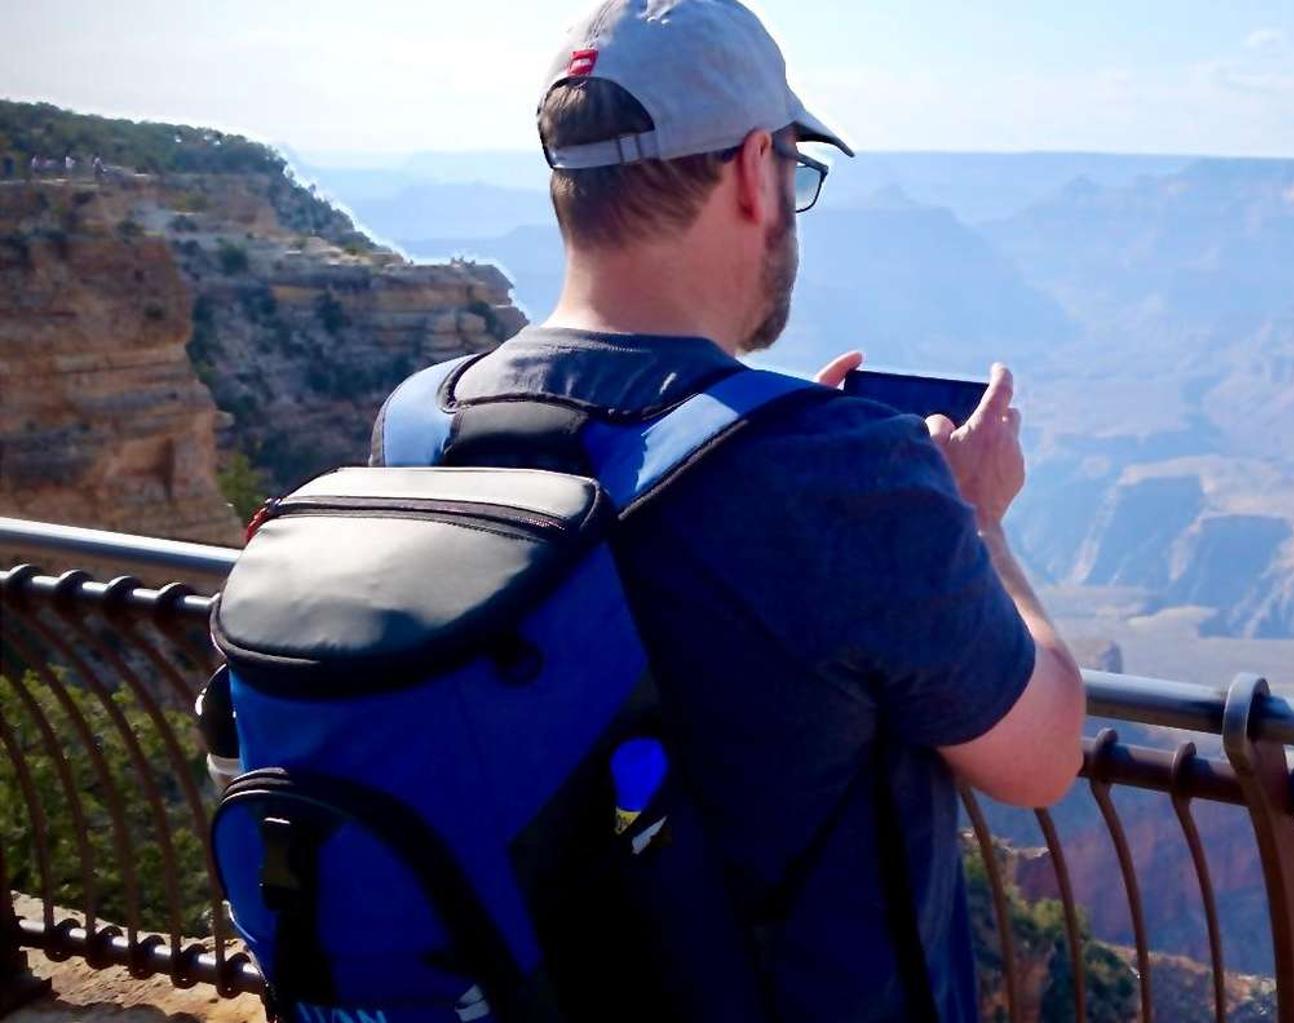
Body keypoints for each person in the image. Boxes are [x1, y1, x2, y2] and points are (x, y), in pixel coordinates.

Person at [368, 1, 1084, 1018]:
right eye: (794, 170)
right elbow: (1043, 756)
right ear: (754, 170)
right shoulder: (835, 472)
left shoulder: (420, 424)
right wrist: (979, 520)